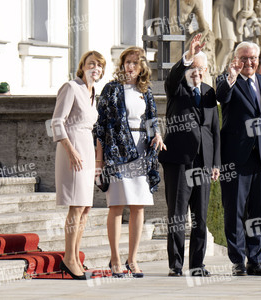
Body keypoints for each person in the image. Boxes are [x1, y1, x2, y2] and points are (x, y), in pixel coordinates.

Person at [216, 41, 261, 276]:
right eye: (244, 58)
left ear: (258, 60)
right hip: (236, 158)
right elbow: (221, 97)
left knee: (259, 211)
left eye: (253, 58)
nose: (249, 62)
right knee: (235, 211)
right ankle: (237, 260)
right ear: (236, 59)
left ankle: (255, 259)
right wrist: (230, 76)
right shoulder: (228, 81)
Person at [94, 46, 166, 278]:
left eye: (136, 62)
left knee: (138, 206)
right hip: (117, 152)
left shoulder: (145, 90)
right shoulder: (111, 89)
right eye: (127, 62)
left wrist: (157, 134)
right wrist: (99, 161)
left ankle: (132, 259)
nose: (131, 66)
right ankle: (115, 259)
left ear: (143, 65)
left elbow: (152, 119)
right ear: (122, 64)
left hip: (141, 151)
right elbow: (101, 127)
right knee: (115, 206)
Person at [158, 34, 221, 277]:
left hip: (203, 163)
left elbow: (214, 131)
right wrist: (188, 54)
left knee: (200, 218)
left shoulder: (209, 92)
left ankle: (197, 265)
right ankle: (175, 265)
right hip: (179, 162)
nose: (197, 73)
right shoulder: (176, 88)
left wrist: (215, 163)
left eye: (201, 69)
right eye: (193, 68)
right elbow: (173, 77)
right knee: (177, 215)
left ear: (206, 71)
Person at [51, 51, 106, 280]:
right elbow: (56, 121)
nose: (95, 68)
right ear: (82, 66)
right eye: (91, 64)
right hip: (72, 149)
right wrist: (70, 149)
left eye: (99, 65)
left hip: (86, 149)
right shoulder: (71, 87)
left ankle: (74, 255)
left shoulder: (94, 93)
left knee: (85, 207)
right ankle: (69, 258)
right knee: (75, 205)